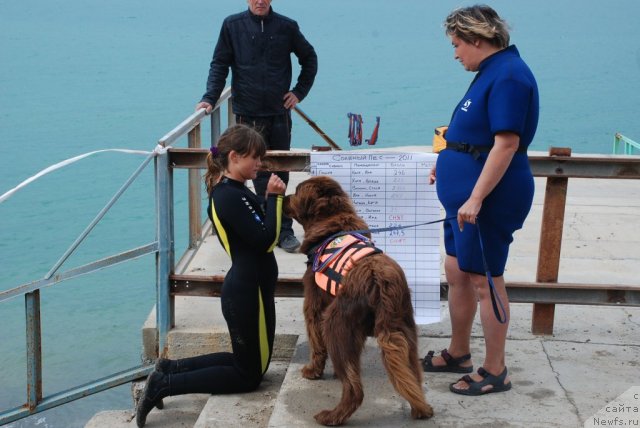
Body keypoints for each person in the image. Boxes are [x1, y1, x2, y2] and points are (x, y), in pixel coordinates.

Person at [135, 124, 286, 427]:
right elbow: (267, 239)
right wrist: (274, 198)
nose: (260, 163)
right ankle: (164, 384)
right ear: (234, 157)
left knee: (252, 366)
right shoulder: (228, 196)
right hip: (246, 292)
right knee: (248, 376)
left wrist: (268, 199)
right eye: (255, 158)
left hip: (251, 288)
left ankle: (168, 368)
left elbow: (259, 230)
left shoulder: (237, 190)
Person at [423, 5, 539, 396]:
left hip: (486, 201)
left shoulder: (509, 76)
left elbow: (506, 144)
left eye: (457, 44)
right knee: (457, 270)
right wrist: (449, 158)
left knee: (485, 279)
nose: (455, 53)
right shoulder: (490, 71)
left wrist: (474, 196)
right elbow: (478, 136)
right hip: (462, 200)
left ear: (476, 38)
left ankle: (495, 370)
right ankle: (459, 352)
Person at [195, 0, 318, 253]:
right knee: (256, 172)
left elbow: (309, 58)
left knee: (280, 171)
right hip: (247, 115)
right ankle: (262, 225)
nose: (260, 1)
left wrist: (299, 92)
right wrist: (209, 98)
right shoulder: (232, 25)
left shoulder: (287, 26)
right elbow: (219, 64)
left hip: (278, 114)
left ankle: (282, 231)